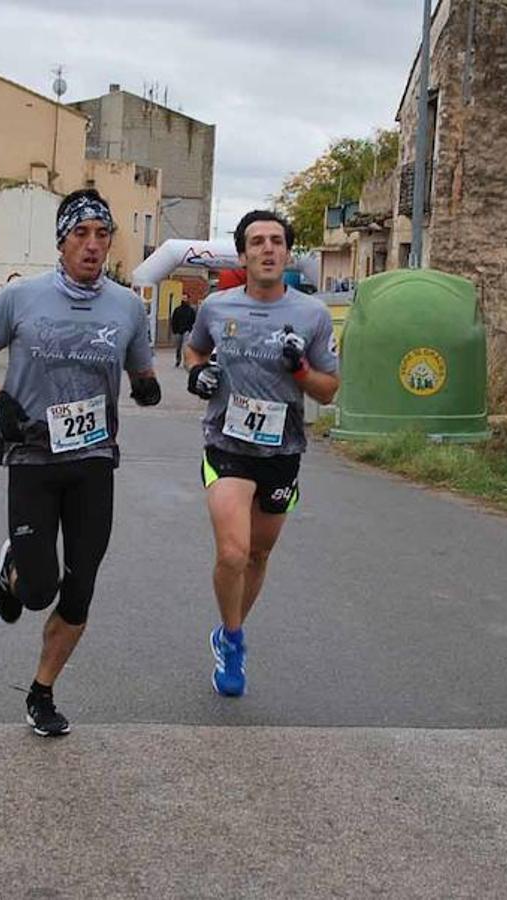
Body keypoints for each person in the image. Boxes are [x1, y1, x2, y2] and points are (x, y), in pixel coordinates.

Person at [0, 188, 160, 737]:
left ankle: (42, 692)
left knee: (81, 587)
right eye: (81, 235)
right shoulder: (23, 299)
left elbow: (142, 374)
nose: (93, 246)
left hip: (94, 456)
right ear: (62, 241)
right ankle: (17, 569)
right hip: (32, 453)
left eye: (103, 235)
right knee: (40, 590)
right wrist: (0, 402)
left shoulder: (127, 306)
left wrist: (148, 390)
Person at [184, 210, 340, 698]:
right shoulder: (216, 307)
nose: (268, 249)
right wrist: (197, 375)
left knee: (258, 552)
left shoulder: (311, 314)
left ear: (287, 252)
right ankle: (232, 642)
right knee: (232, 551)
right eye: (257, 242)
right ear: (244, 254)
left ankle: (228, 628)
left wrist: (299, 372)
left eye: (277, 241)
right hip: (226, 443)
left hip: (283, 448)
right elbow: (195, 352)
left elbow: (329, 391)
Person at [169, 296, 196, 368]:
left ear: (188, 299)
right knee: (178, 347)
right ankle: (178, 360)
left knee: (185, 347)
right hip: (178, 331)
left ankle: (186, 361)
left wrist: (190, 329)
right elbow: (174, 320)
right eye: (183, 298)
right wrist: (174, 330)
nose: (184, 299)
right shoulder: (177, 310)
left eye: (185, 298)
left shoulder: (191, 310)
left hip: (187, 331)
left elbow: (194, 320)